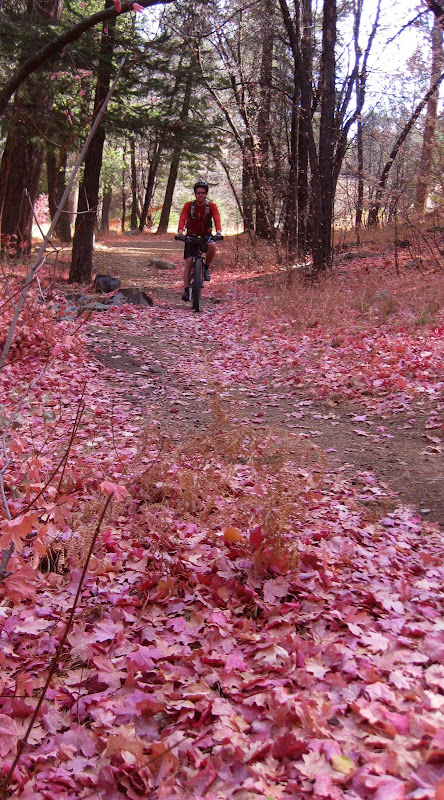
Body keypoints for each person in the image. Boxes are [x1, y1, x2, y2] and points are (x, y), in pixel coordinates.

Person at [177, 180, 222, 301]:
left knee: (212, 245)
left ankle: (206, 268)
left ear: (206, 194)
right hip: (191, 235)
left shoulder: (211, 206)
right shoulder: (189, 206)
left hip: (205, 235)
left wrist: (218, 232)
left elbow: (217, 218)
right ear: (195, 194)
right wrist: (180, 232)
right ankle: (186, 290)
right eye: (198, 193)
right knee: (189, 262)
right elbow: (182, 218)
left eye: (203, 193)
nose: (200, 195)